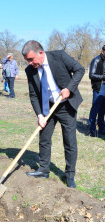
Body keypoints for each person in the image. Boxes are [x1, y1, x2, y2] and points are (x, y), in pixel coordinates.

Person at [22, 40, 85, 188]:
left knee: (69, 141)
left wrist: (69, 88)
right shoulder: (29, 70)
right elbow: (33, 95)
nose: (30, 63)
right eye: (27, 60)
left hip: (66, 105)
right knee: (44, 138)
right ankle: (43, 169)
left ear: (41, 53)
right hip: (46, 106)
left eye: (31, 59)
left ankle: (69, 175)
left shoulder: (59, 56)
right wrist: (39, 115)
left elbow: (80, 70)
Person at [88, 45, 105, 137]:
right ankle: (92, 130)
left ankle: (102, 128)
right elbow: (91, 75)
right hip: (99, 87)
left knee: (103, 109)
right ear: (103, 51)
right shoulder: (96, 60)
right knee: (95, 109)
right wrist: (103, 77)